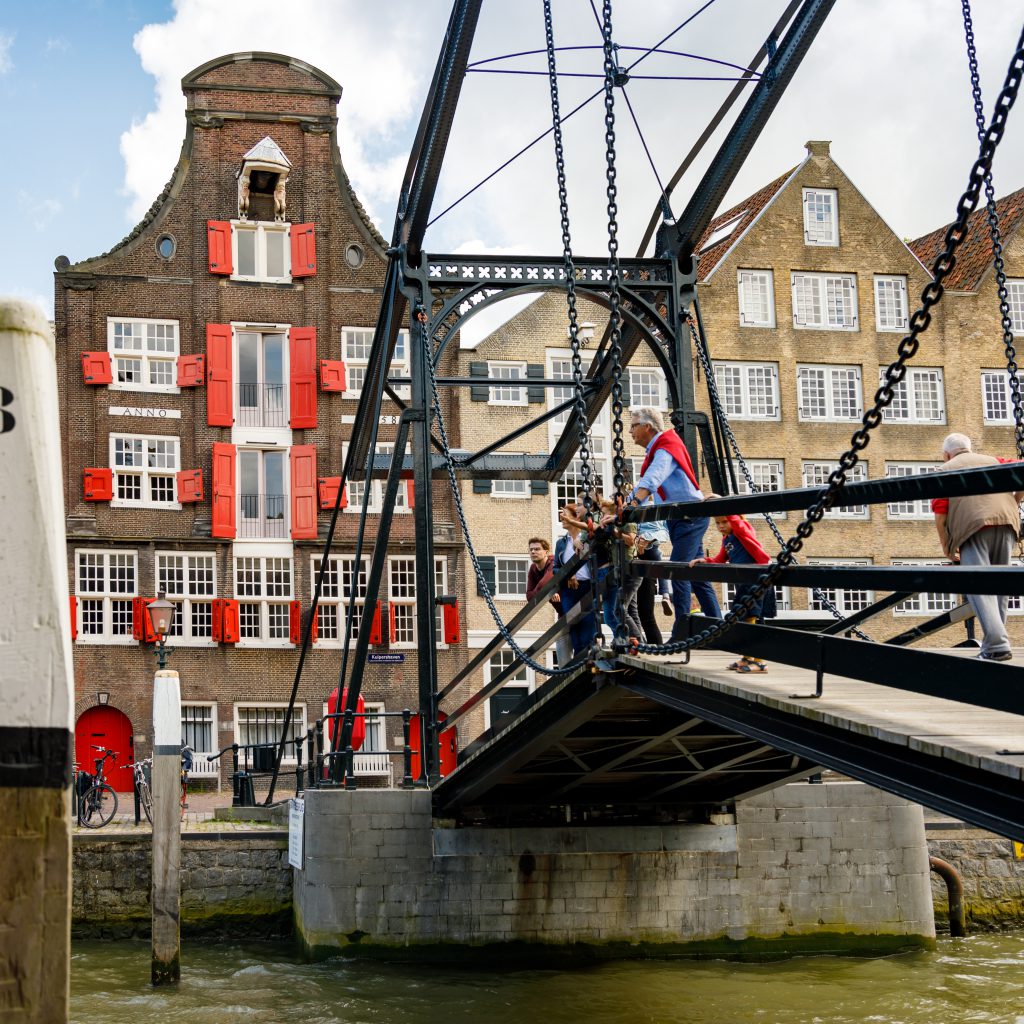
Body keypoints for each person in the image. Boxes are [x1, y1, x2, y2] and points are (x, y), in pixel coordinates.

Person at [625, 407, 721, 642]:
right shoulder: (659, 448)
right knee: (697, 576)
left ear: (647, 426)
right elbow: (645, 486)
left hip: (689, 517)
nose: (630, 431)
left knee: (678, 572)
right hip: (681, 518)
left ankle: (682, 634)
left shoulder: (667, 445)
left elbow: (653, 479)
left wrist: (631, 505)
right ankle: (718, 630)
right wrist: (624, 506)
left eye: (634, 425)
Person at [931, 432, 1023, 662]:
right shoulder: (995, 461)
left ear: (946, 454)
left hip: (972, 528)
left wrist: (947, 546)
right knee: (999, 586)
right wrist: (1015, 501)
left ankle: (997, 645)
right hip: (1006, 523)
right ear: (969, 449)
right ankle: (996, 644)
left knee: (977, 586)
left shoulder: (944, 470)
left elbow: (941, 515)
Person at [691, 514, 774, 673]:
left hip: (756, 579)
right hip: (743, 582)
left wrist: (725, 507)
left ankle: (760, 662)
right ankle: (747, 657)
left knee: (752, 618)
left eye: (725, 521)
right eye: (717, 523)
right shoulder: (727, 539)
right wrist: (705, 560)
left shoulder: (743, 531)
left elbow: (738, 523)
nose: (721, 525)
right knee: (744, 618)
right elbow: (721, 559)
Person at [555, 501, 597, 656]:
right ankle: (579, 659)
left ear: (575, 518)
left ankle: (586, 658)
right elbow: (556, 567)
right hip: (568, 590)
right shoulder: (561, 543)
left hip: (586, 586)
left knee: (587, 624)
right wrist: (569, 574)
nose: (562, 518)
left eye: (565, 515)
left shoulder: (586, 538)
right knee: (573, 625)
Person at [525, 537, 555, 603]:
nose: (533, 552)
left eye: (537, 549)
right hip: (561, 610)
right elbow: (529, 597)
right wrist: (548, 590)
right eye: (531, 549)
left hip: (574, 602)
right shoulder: (533, 568)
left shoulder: (554, 563)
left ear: (546, 552)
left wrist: (547, 590)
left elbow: (543, 585)